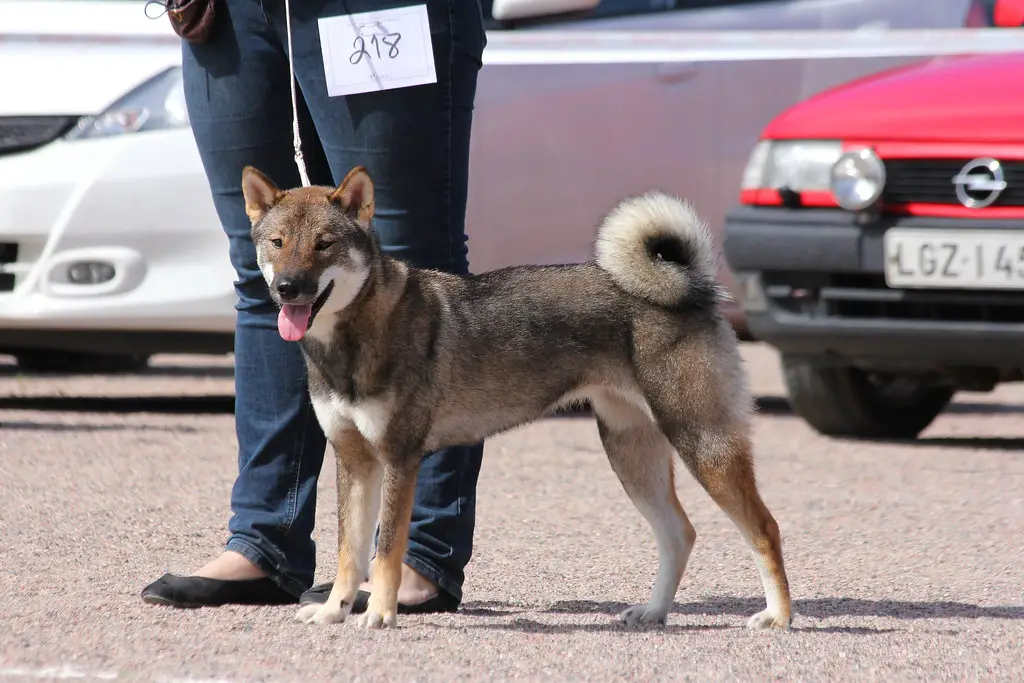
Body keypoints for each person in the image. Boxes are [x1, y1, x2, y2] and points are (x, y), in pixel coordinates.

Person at [141, 0, 487, 614]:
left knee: (411, 266)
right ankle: (264, 542)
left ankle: (419, 553)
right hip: (228, 12)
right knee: (267, 276)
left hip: (374, 12)